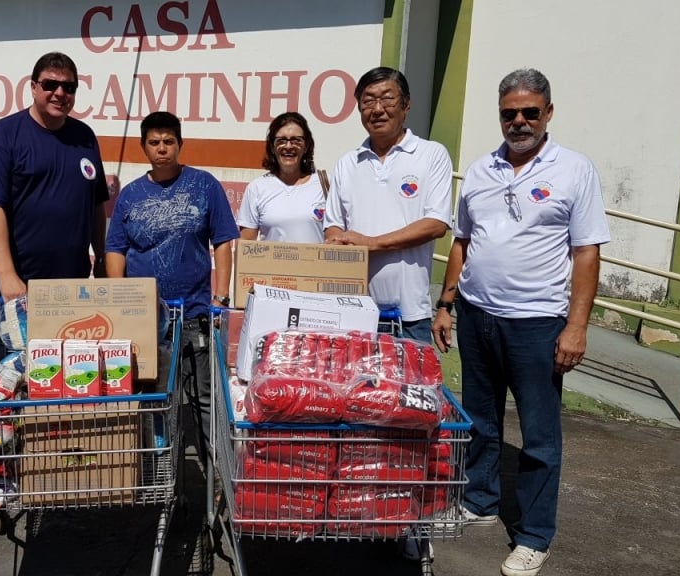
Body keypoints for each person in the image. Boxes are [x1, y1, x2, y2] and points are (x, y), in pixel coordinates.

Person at [432, 69, 610, 576]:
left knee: (539, 435)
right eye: (509, 112)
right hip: (477, 316)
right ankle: (480, 501)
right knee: (481, 420)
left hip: (537, 323)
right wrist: (447, 305)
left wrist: (576, 326)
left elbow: (586, 252)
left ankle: (534, 535)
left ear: (548, 113)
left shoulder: (574, 169)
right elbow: (462, 242)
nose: (519, 121)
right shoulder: (483, 168)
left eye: (530, 112)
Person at [105, 111, 239, 458]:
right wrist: (119, 303)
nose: (162, 148)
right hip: (147, 322)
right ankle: (158, 471)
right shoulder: (131, 195)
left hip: (196, 316)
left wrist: (221, 298)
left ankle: (216, 475)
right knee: (155, 397)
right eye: (154, 142)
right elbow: (115, 249)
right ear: (143, 147)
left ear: (179, 144)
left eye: (168, 142)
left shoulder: (204, 184)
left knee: (205, 400)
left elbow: (223, 241)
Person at [0, 51, 108, 329]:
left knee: (67, 362)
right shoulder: (4, 135)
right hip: (19, 282)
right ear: (33, 87)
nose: (59, 93)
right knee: (14, 365)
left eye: (68, 87)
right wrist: (8, 275)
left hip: (71, 281)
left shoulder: (85, 137)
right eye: (50, 85)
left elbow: (95, 204)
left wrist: (102, 257)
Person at [324, 66, 453, 343]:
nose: (378, 109)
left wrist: (373, 243)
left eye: (387, 99)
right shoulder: (348, 163)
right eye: (368, 101)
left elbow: (436, 224)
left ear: (406, 105)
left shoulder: (431, 155)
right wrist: (337, 242)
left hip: (408, 316)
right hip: (353, 312)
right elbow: (333, 225)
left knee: (408, 387)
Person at [237, 112, 327, 242]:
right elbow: (245, 245)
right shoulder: (257, 188)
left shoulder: (325, 183)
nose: (288, 146)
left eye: (296, 140)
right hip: (270, 264)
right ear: (272, 147)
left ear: (306, 145)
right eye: (281, 140)